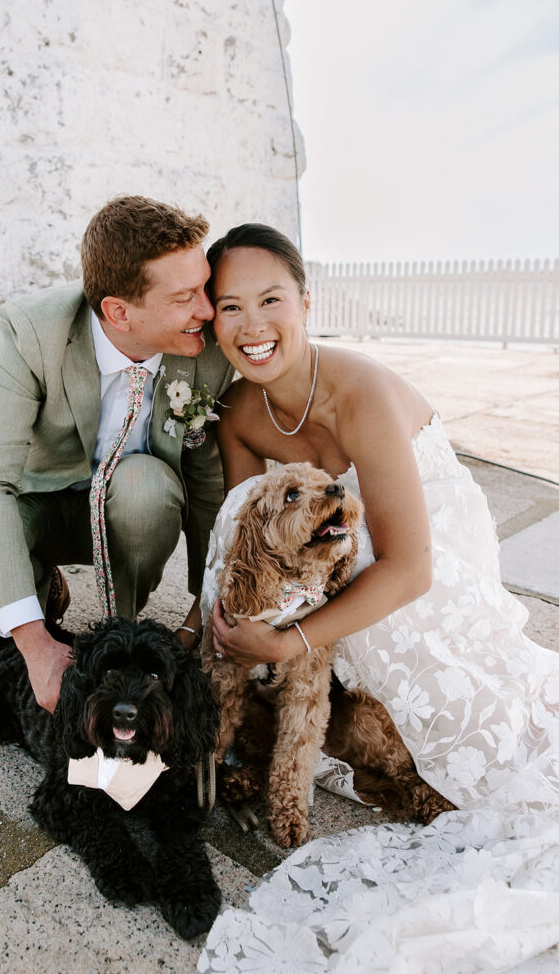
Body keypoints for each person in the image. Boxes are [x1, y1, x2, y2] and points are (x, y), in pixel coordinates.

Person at [196, 223, 559, 974]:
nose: (251, 325)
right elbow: (244, 535)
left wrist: (289, 643)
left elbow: (410, 569)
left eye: (270, 300)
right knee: (283, 612)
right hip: (341, 550)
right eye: (229, 307)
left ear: (305, 301)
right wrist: (240, 619)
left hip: (427, 554)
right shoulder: (238, 415)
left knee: (396, 654)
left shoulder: (356, 392)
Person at [0, 196, 233, 714]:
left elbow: (209, 493)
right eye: (186, 297)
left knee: (146, 487)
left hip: (134, 508)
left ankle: (127, 623)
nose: (207, 310)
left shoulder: (206, 352)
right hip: (41, 501)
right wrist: (34, 643)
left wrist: (205, 616)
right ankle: (42, 594)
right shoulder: (31, 332)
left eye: (205, 287)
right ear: (118, 311)